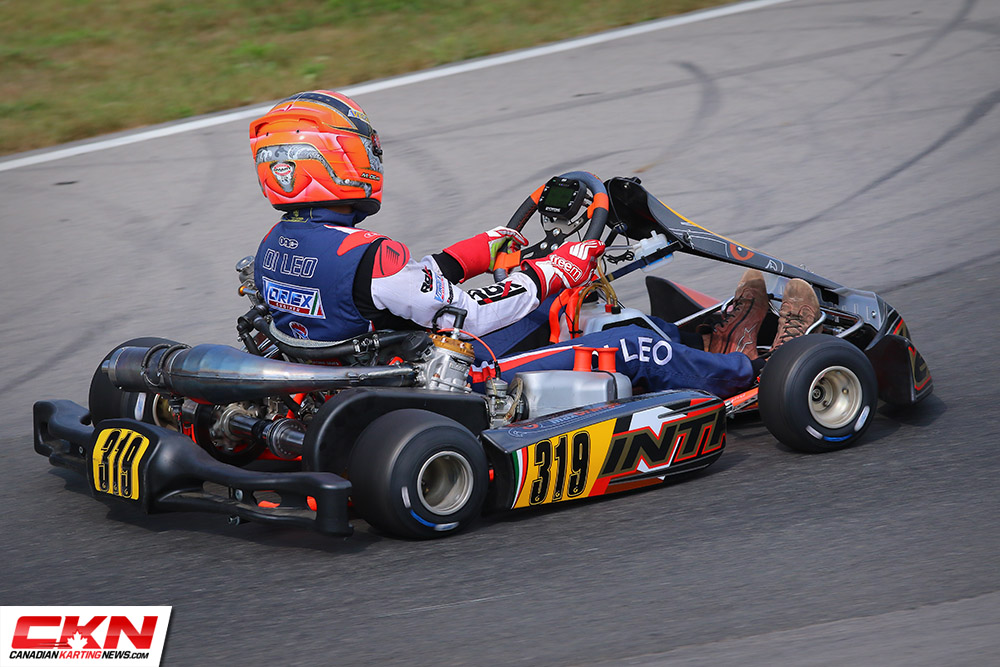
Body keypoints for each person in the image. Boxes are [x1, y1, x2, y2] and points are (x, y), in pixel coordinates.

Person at [251, 90, 819, 398]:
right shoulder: (371, 254)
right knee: (628, 345)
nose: (375, 158)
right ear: (337, 159)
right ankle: (757, 369)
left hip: (358, 375)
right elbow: (467, 317)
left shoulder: (276, 245)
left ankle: (713, 342)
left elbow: (392, 295)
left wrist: (474, 252)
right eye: (366, 147)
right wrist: (554, 270)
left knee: (565, 314)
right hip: (446, 379)